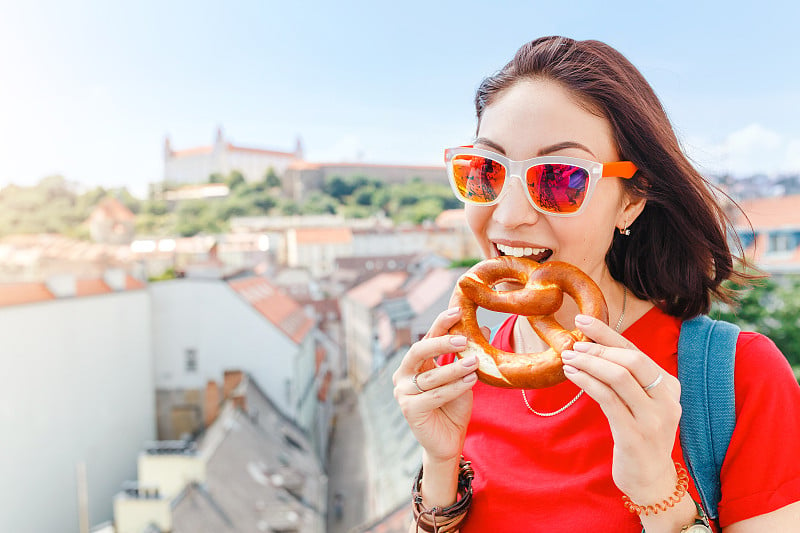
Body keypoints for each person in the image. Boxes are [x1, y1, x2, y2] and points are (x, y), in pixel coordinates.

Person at [392, 36, 800, 532]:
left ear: (630, 200)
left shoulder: (740, 380)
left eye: (561, 179)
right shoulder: (462, 377)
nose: (510, 214)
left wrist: (656, 493)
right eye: (486, 171)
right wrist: (439, 468)